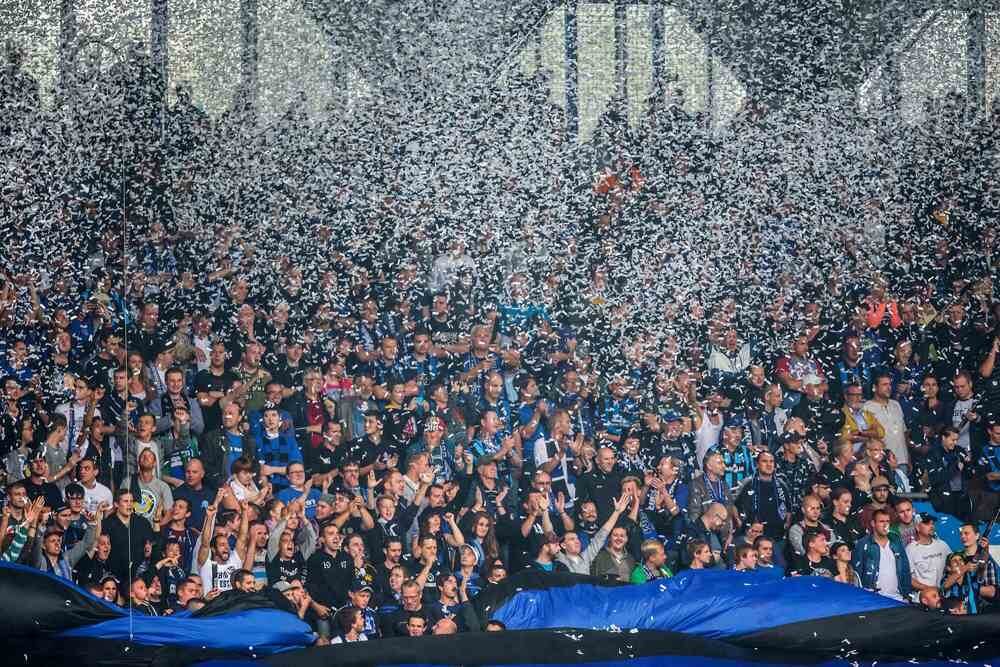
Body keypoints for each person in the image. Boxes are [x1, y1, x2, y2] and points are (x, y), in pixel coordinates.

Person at [852, 509, 912, 601]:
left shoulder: (896, 542)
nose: (885, 525)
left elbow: (905, 570)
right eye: (881, 521)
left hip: (898, 598)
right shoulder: (863, 544)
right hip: (873, 600)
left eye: (887, 521)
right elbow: (857, 574)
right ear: (873, 523)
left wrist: (906, 595)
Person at [906, 514, 951, 601]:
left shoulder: (942, 545)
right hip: (923, 599)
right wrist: (929, 589)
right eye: (927, 523)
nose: (931, 526)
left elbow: (952, 566)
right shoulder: (910, 549)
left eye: (932, 523)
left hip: (944, 597)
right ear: (917, 527)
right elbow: (909, 579)